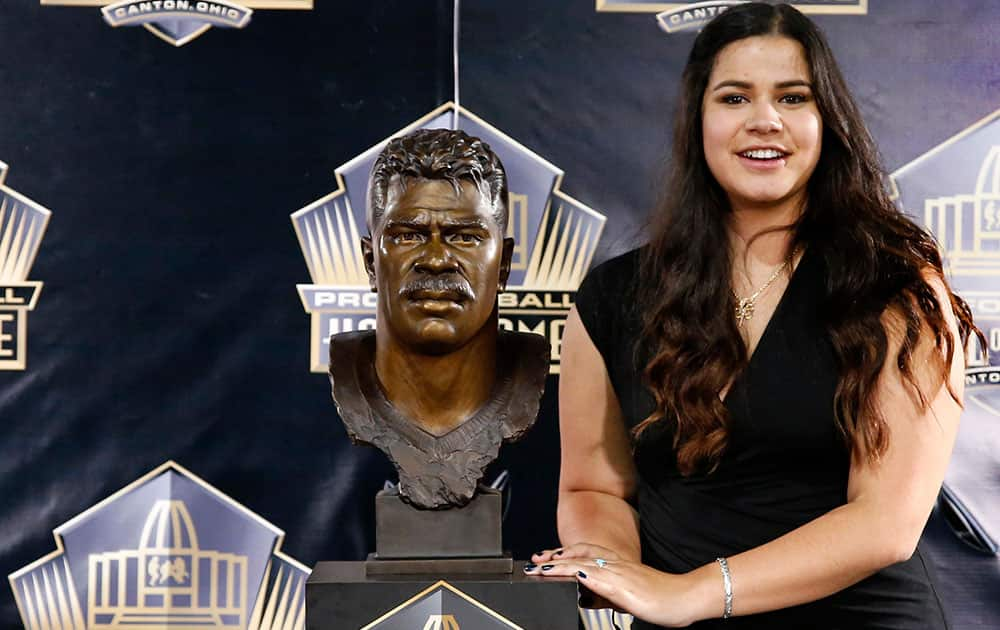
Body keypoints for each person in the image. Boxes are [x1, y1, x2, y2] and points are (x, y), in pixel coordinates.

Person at [524, 3, 983, 628]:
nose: (765, 121)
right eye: (735, 99)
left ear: (828, 123)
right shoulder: (613, 295)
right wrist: (604, 566)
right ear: (698, 122)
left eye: (794, 99)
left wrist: (687, 594)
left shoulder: (896, 287)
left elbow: (886, 525)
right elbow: (593, 488)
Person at [328, 128, 549, 510]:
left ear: (504, 265)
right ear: (370, 263)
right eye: (408, 235)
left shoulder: (528, 373)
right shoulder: (349, 378)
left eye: (464, 237)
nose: (435, 259)